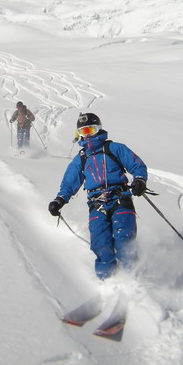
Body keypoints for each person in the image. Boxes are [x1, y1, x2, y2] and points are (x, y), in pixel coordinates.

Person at [48, 113, 148, 279]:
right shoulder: (81, 157)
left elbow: (137, 165)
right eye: (83, 131)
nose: (87, 134)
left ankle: (134, 279)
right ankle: (107, 281)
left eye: (90, 129)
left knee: (124, 239)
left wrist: (139, 180)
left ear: (98, 129)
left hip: (120, 198)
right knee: (100, 243)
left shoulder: (114, 148)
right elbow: (69, 182)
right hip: (97, 204)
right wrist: (59, 200)